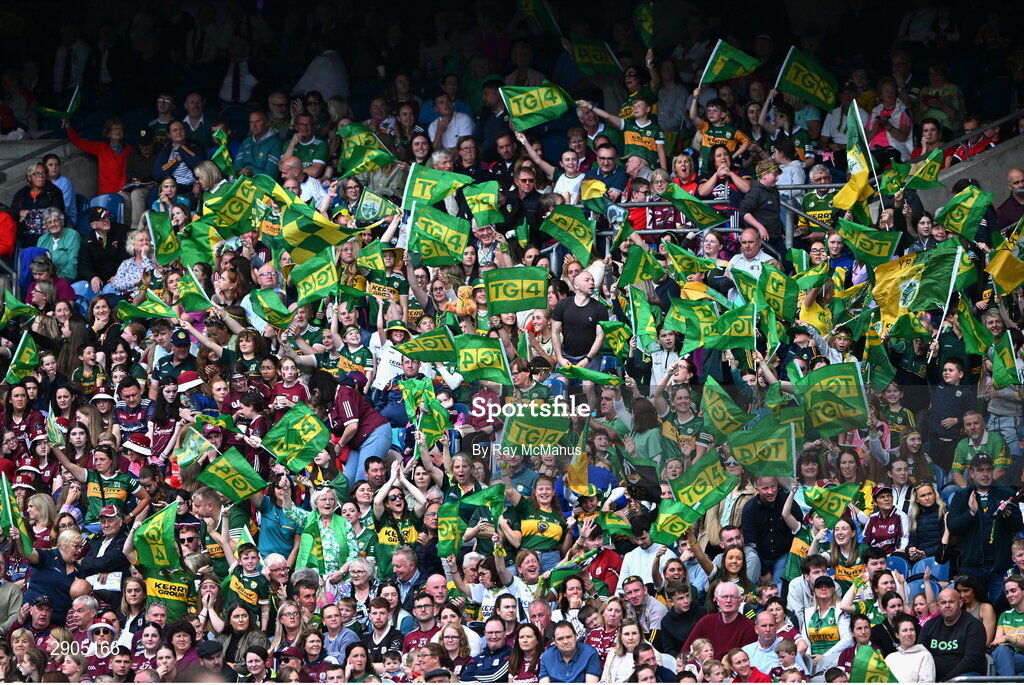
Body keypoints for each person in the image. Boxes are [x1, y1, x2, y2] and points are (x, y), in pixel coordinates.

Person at [919, 588, 987, 680]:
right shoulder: (930, 625)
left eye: (951, 602)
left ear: (960, 603)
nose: (947, 605)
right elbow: (920, 654)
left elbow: (971, 660)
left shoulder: (973, 626)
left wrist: (946, 680)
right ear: (938, 606)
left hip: (965, 676)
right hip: (931, 677)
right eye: (943, 603)